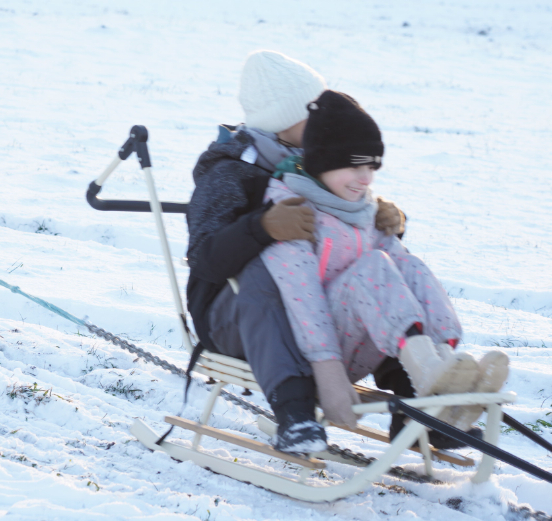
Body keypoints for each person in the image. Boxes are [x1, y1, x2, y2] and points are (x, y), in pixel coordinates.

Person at [187, 51, 413, 454]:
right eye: (314, 109)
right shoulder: (229, 170)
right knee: (267, 268)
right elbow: (205, 259)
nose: (327, 115)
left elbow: (344, 232)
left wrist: (382, 218)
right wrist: (262, 227)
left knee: (377, 267)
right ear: (282, 118)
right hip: (234, 319)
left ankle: (417, 400)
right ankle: (294, 413)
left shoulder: (317, 163)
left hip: (313, 311)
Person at [259, 90, 510, 442]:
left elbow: (402, 276)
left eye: (372, 168)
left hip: (357, 341)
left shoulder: (362, 207)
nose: (366, 179)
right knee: (374, 267)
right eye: (355, 166)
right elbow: (301, 298)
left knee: (411, 266)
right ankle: (429, 382)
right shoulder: (293, 209)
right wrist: (328, 373)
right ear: (321, 162)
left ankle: (442, 373)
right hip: (307, 355)